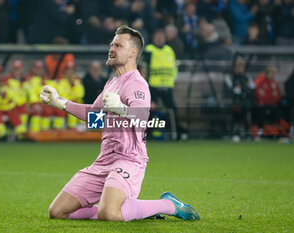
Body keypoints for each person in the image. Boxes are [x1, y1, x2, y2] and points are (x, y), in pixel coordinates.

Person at [40, 25, 200, 221]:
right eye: (111, 44)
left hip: (129, 159)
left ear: (132, 53)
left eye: (118, 45)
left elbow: (142, 118)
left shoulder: (137, 83)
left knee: (108, 213)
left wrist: (121, 109)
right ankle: (133, 209)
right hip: (104, 160)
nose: (111, 49)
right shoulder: (112, 83)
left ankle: (170, 205)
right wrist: (60, 102)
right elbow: (94, 115)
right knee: (57, 212)